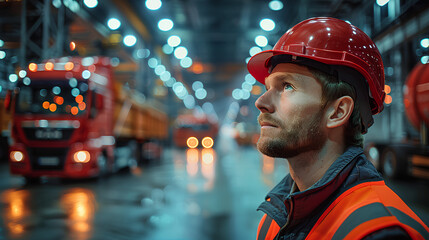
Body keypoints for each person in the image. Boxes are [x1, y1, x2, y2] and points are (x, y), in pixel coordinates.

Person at [247, 17, 429, 240]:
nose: (261, 102)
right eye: (267, 87)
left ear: (338, 112)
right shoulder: (275, 217)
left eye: (287, 86)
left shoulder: (378, 233)